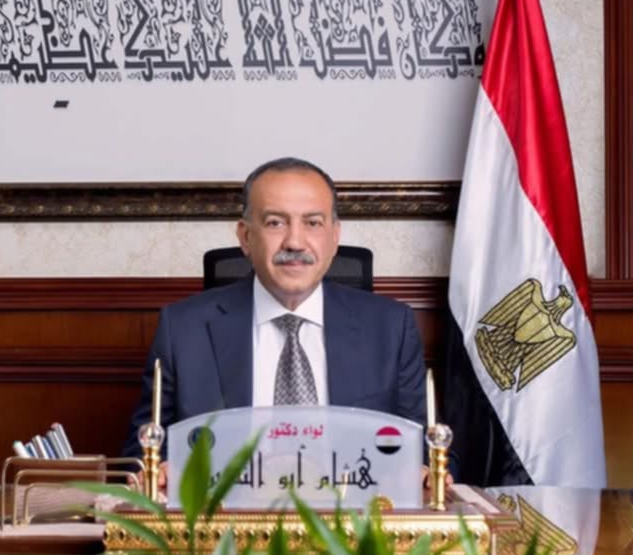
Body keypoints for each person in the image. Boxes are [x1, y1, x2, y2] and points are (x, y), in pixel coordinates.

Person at [123, 157, 428, 475]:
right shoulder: (183, 330)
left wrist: (421, 473)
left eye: (313, 223)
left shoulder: (391, 328)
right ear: (245, 237)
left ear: (334, 236)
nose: (295, 242)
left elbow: (426, 449)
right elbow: (142, 451)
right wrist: (159, 472)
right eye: (275, 223)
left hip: (352, 505)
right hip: (226, 506)